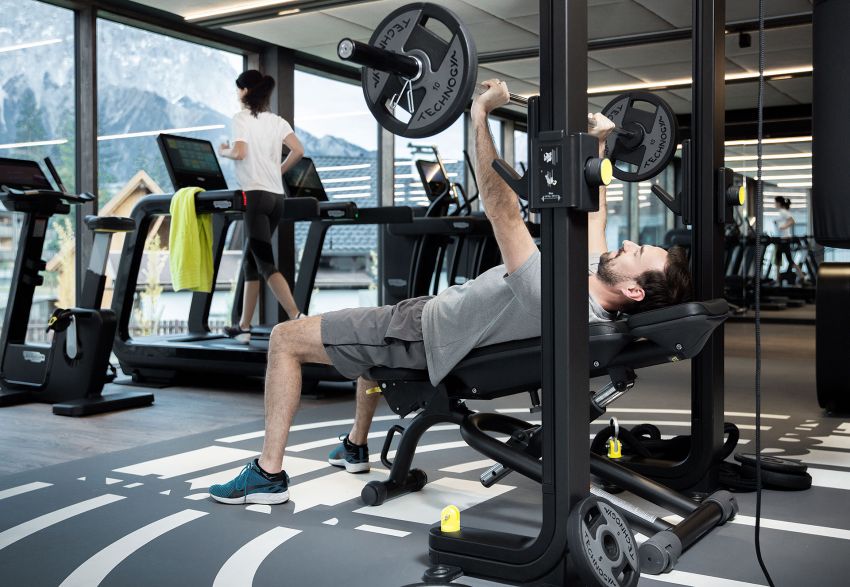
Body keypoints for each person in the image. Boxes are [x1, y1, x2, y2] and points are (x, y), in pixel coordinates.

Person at [207, 80, 693, 505]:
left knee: (285, 339)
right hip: (429, 318)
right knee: (367, 335)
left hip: (423, 336)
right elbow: (595, 214)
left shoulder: (558, 297)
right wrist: (600, 145)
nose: (628, 244)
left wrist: (480, 115)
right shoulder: (594, 285)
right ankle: (355, 445)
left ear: (634, 289)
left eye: (637, 252)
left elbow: (502, 210)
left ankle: (267, 474)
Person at [219, 69, 306, 343]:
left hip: (255, 196)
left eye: (238, 89)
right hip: (276, 198)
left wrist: (224, 150)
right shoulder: (277, 121)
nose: (237, 94)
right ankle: (244, 326)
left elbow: (240, 152)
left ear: (245, 91)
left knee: (266, 264)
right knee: (252, 262)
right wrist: (278, 171)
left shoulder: (241, 118)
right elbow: (299, 150)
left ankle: (297, 317)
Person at [772, 196, 806, 285]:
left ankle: (801, 277)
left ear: (779, 203)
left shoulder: (783, 211)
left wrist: (783, 227)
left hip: (784, 239)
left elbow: (792, 221)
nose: (774, 204)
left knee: (787, 260)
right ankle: (778, 280)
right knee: (778, 260)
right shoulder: (781, 212)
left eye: (775, 202)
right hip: (780, 239)